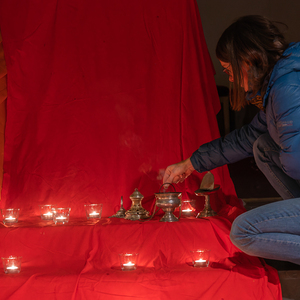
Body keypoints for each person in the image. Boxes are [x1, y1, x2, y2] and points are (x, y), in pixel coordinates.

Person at [163, 15, 300, 265]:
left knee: (243, 231)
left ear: (246, 61)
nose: (230, 79)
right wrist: (191, 163)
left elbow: (296, 163)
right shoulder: (279, 83)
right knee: (262, 146)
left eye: (229, 70)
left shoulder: (287, 89)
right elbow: (248, 137)